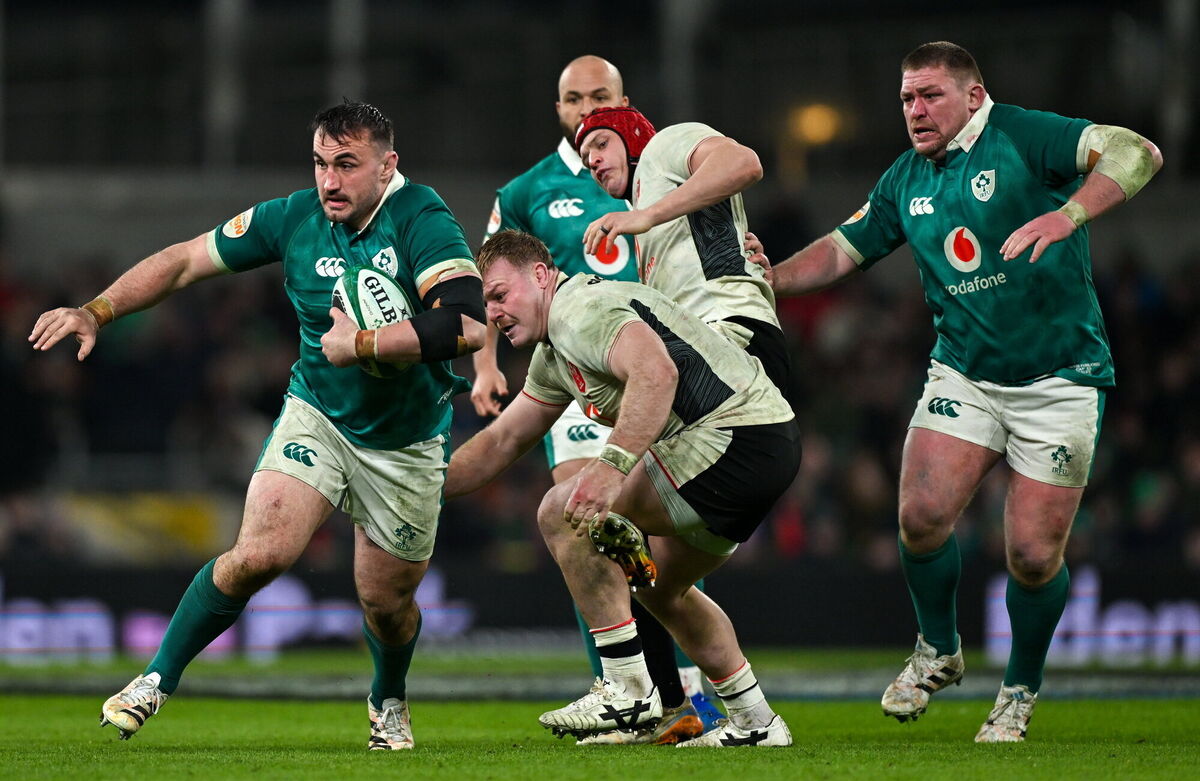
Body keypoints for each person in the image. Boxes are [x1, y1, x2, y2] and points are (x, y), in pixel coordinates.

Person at [28, 101, 487, 750]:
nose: (330, 180)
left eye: (347, 165)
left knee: (385, 605)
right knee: (260, 553)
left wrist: (363, 345)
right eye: (322, 163)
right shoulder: (295, 216)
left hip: (405, 442)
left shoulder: (422, 218)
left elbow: (466, 324)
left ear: (388, 166)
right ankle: (155, 677)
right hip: (319, 416)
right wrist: (98, 310)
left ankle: (388, 696)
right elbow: (187, 261)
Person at [762, 41, 1162, 742]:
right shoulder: (904, 178)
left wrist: (1067, 215)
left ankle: (1018, 690)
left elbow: (1139, 153)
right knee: (919, 515)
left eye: (930, 95)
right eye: (907, 98)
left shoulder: (1025, 135)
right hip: (966, 373)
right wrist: (767, 281)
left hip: (1060, 378)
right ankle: (938, 649)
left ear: (974, 96)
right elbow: (842, 249)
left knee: (1034, 556)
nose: (915, 110)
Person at [447, 229, 801, 748]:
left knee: (560, 512)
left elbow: (656, 373)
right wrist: (421, 486)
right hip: (765, 444)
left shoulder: (580, 310)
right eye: (487, 303)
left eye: (501, 294)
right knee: (661, 590)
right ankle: (756, 722)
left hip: (733, 437)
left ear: (542, 275)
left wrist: (610, 469)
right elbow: (502, 440)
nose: (494, 313)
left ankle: (627, 689)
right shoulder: (554, 355)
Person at [474, 54, 719, 744]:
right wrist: (486, 367)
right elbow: (489, 274)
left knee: (651, 550)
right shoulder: (526, 188)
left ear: (623, 101)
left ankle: (686, 697)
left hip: (651, 377)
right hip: (573, 386)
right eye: (574, 99)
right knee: (587, 532)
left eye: (600, 97)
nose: (586, 110)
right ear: (558, 109)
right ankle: (625, 695)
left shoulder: (651, 176)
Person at [575, 105, 793, 403]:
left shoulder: (662, 146)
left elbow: (743, 163)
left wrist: (649, 215)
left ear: (633, 136)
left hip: (727, 332)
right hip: (719, 339)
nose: (594, 160)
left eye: (601, 144)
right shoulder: (644, 204)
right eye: (586, 160)